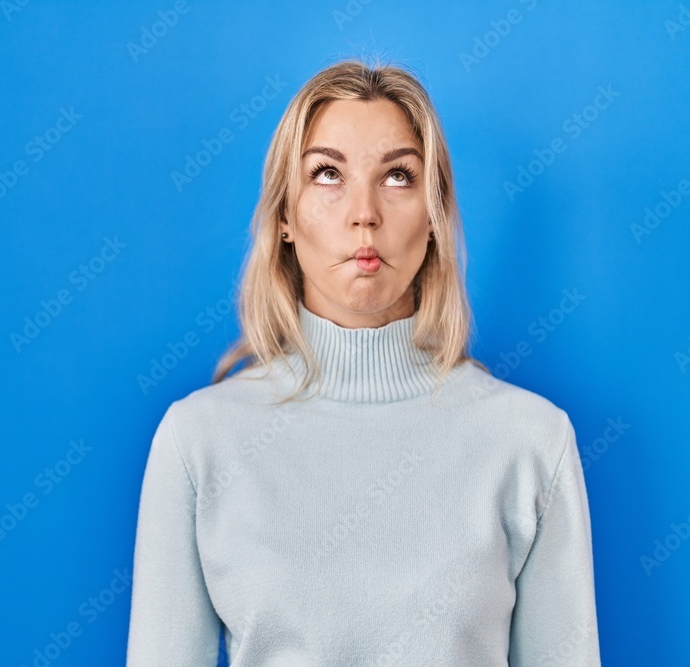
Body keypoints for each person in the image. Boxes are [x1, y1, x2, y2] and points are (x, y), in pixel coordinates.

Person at [126, 57, 601, 666]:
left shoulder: (531, 442)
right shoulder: (198, 441)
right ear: (286, 218)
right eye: (327, 174)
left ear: (433, 218)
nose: (364, 213)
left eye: (398, 177)